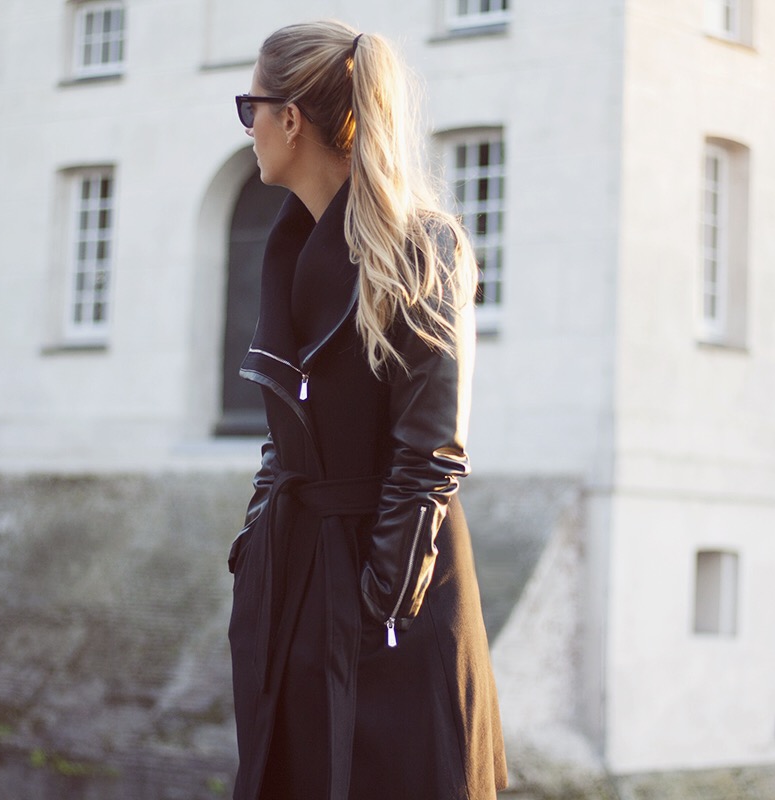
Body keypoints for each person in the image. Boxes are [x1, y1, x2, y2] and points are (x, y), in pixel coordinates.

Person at [226, 19, 507, 800]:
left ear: (290, 119)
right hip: (298, 590)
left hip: (393, 608)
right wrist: (255, 553)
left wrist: (377, 615)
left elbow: (430, 459)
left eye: (252, 107)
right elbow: (287, 441)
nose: (248, 127)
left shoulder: (424, 250)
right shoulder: (286, 249)